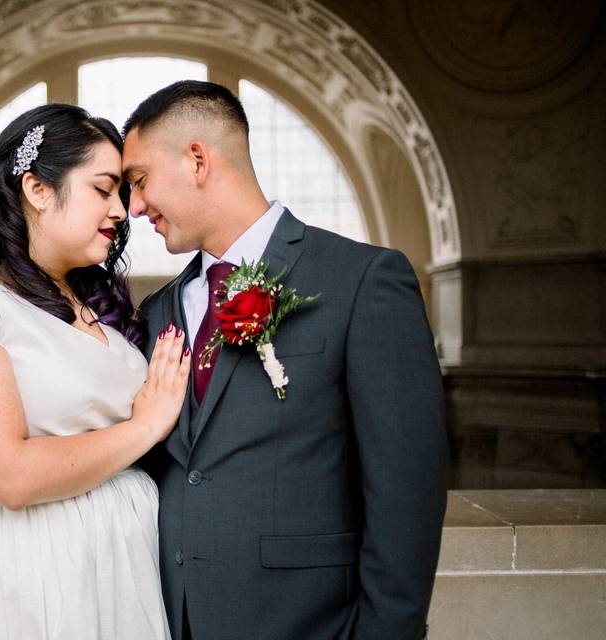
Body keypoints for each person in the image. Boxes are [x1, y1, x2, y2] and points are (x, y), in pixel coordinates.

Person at [123, 80, 449, 640]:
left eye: (140, 180)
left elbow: (406, 489)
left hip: (309, 624)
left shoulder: (362, 282)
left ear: (197, 159)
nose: (133, 206)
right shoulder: (157, 312)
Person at [0, 103, 189, 640]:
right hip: (16, 569)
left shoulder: (95, 300)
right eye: (103, 188)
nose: (123, 211)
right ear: (37, 190)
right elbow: (10, 476)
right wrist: (144, 427)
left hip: (118, 569)